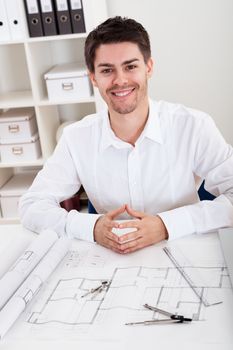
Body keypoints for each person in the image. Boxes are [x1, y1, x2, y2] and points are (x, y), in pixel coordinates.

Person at [19, 16, 233, 254]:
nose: (120, 80)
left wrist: (166, 225)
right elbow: (31, 206)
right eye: (107, 70)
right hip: (111, 262)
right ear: (93, 78)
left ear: (148, 67)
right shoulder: (76, 138)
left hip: (184, 252)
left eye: (130, 66)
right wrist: (92, 227)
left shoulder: (193, 126)